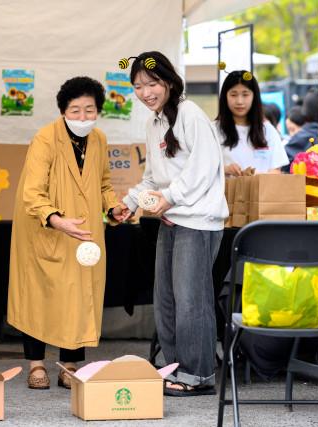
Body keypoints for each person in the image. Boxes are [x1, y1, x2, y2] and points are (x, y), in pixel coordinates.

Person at [7, 76, 128, 390]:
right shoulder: (45, 138)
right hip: (46, 230)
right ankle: (36, 365)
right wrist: (56, 220)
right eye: (76, 110)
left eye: (90, 110)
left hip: (83, 232)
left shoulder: (99, 139)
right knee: (38, 297)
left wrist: (113, 207)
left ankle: (69, 365)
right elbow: (32, 192)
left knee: (79, 295)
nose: (83, 117)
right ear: (63, 111)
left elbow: (103, 184)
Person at [121, 51, 227, 396]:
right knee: (166, 299)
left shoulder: (190, 113)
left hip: (197, 221)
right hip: (170, 219)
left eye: (151, 84)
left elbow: (204, 168)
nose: (145, 92)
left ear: (168, 81)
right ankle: (173, 368)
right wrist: (129, 203)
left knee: (192, 300)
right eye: (138, 86)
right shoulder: (154, 122)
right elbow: (152, 177)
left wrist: (170, 197)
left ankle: (198, 375)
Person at [217, 71, 289, 176]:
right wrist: (225, 169)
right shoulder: (214, 130)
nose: (239, 101)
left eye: (245, 95)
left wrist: (255, 177)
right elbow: (204, 168)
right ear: (225, 97)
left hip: (262, 187)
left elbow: (276, 171)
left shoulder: (267, 130)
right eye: (233, 95)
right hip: (226, 187)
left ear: (254, 97)